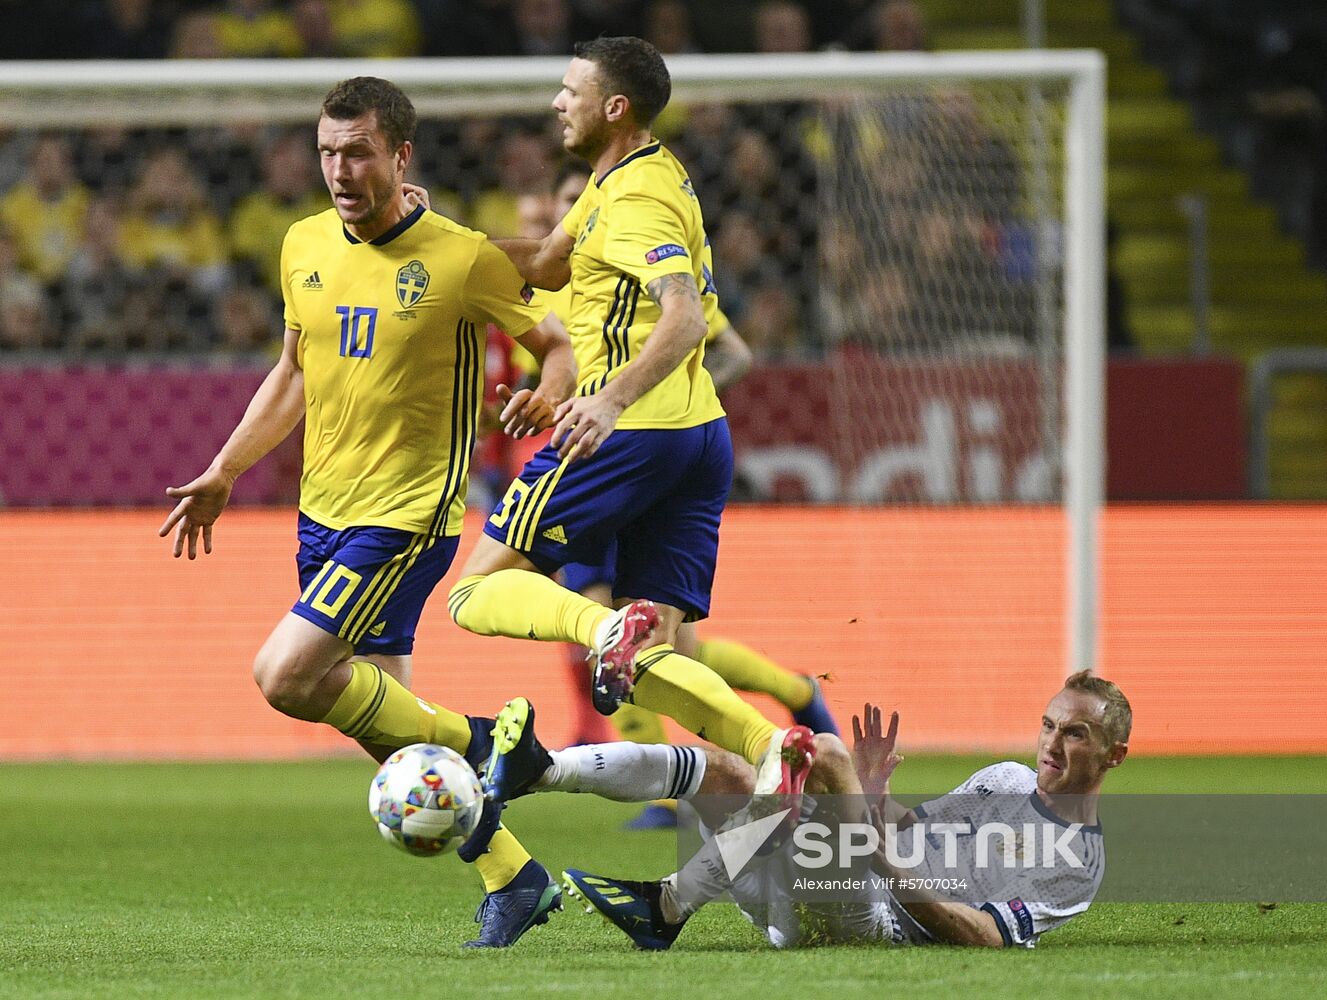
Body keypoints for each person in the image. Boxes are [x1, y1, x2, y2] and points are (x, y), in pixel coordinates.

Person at [159, 76, 576, 948]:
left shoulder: (461, 257)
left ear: (399, 154)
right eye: (326, 152)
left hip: (408, 516)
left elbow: (556, 346)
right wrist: (225, 469)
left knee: (285, 676)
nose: (339, 171)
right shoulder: (303, 243)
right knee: (388, 730)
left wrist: (549, 391)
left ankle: (492, 742)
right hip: (323, 513)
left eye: (357, 152)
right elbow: (293, 373)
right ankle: (515, 877)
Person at [444, 37, 817, 822]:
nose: (556, 102)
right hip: (696, 436)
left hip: (630, 433)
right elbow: (547, 263)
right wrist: (433, 246)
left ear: (613, 107)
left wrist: (608, 401)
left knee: (475, 592)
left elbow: (685, 317)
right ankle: (772, 748)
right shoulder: (625, 177)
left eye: (570, 91)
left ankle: (605, 626)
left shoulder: (637, 199)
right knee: (656, 661)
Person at [535, 159, 836, 827]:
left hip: (643, 464)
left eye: (580, 198)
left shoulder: (645, 272)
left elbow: (731, 351)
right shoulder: (548, 290)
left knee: (652, 644)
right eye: (567, 202)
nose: (577, 211)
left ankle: (759, 722)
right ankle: (705, 764)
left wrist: (667, 399)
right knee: (625, 636)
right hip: (580, 464)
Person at [541, 670, 1130, 950]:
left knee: (820, 752)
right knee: (728, 772)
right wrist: (873, 795)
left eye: (1075, 733)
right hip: (818, 889)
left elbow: (986, 936)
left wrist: (880, 861)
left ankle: (671, 902)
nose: (1051, 744)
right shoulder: (1006, 779)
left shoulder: (1076, 861)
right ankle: (546, 769)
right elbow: (912, 830)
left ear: (1114, 754)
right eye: (1049, 725)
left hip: (870, 919)